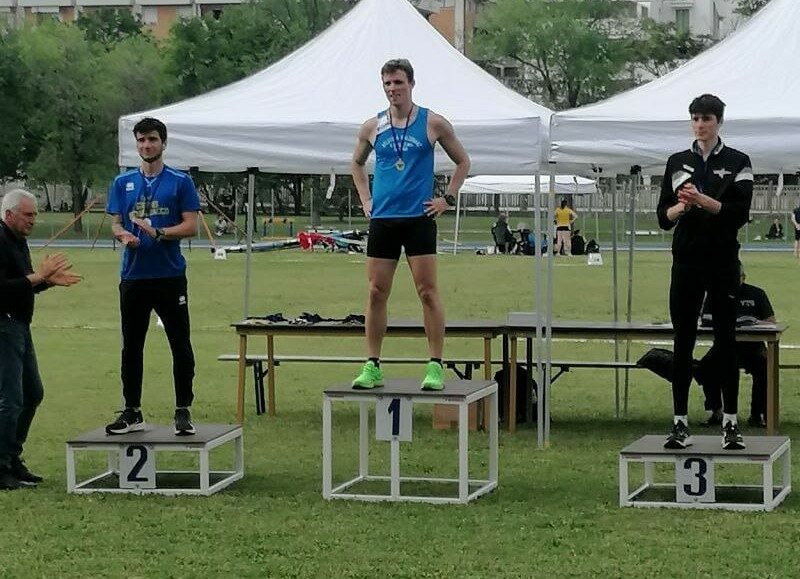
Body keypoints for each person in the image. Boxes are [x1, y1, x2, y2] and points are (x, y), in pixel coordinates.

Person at [350, 58, 470, 390]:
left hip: (419, 218)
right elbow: (356, 165)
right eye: (387, 84)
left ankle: (434, 365)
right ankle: (372, 364)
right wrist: (365, 200)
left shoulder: (433, 123)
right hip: (384, 219)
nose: (393, 89)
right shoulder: (372, 127)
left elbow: (463, 161)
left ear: (411, 84)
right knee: (376, 292)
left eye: (398, 83)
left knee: (427, 292)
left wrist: (447, 198)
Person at [656, 94, 753, 451]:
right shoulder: (677, 162)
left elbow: (739, 213)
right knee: (683, 340)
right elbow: (662, 217)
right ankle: (680, 422)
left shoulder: (738, 162)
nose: (700, 124)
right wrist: (682, 205)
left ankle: (730, 423)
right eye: (695, 118)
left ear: (719, 122)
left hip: (723, 261)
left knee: (726, 341)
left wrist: (705, 201)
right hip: (686, 260)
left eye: (707, 118)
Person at [105, 117, 201, 436]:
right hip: (133, 276)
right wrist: (123, 237)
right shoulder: (123, 183)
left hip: (169, 276)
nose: (147, 145)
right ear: (136, 144)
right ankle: (132, 411)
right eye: (141, 140)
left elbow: (191, 226)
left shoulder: (179, 181)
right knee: (131, 346)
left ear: (163, 143)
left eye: (152, 140)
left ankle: (183, 409)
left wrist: (159, 232)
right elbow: (117, 223)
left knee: (179, 343)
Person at [0, 189, 81, 490]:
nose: (34, 220)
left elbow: (21, 285)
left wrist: (46, 281)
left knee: (32, 394)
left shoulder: (18, 241)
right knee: (10, 399)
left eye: (35, 214)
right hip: (4, 326)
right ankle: (1, 465)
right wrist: (37, 277)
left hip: (20, 326)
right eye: (29, 214)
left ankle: (12, 457)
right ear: (9, 215)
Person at [694, 265, 775, 429]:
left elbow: (772, 322)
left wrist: (755, 322)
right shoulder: (715, 294)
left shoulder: (757, 294)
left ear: (743, 277)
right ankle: (716, 411)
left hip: (752, 347)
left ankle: (757, 414)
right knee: (705, 367)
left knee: (764, 368)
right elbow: (704, 319)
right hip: (723, 345)